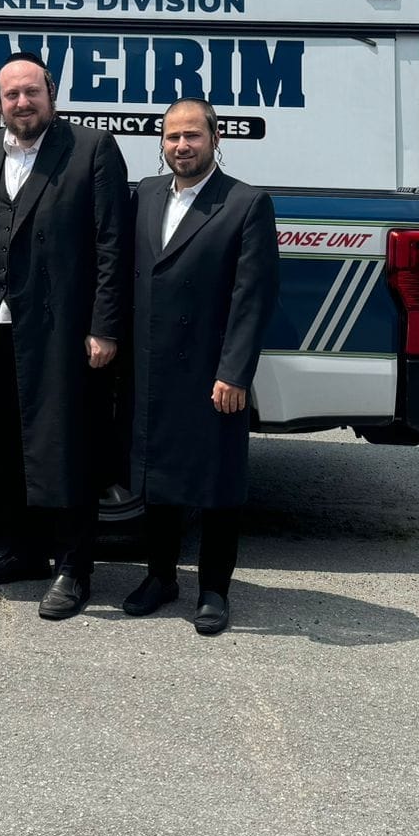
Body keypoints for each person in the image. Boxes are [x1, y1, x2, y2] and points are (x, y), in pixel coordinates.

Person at [0, 52, 129, 620]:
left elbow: (112, 243)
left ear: (51, 94)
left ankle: (75, 567)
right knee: (9, 444)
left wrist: (105, 326)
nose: (22, 102)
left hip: (65, 331)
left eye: (32, 91)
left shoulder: (91, 148)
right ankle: (27, 551)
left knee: (68, 447)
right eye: (11, 94)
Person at [122, 99, 279, 637]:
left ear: (215, 138)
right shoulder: (145, 194)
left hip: (212, 372)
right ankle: (160, 577)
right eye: (172, 137)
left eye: (192, 135)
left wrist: (234, 372)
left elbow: (252, 297)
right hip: (152, 365)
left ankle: (214, 589)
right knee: (157, 478)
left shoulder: (245, 203)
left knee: (217, 484)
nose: (181, 146)